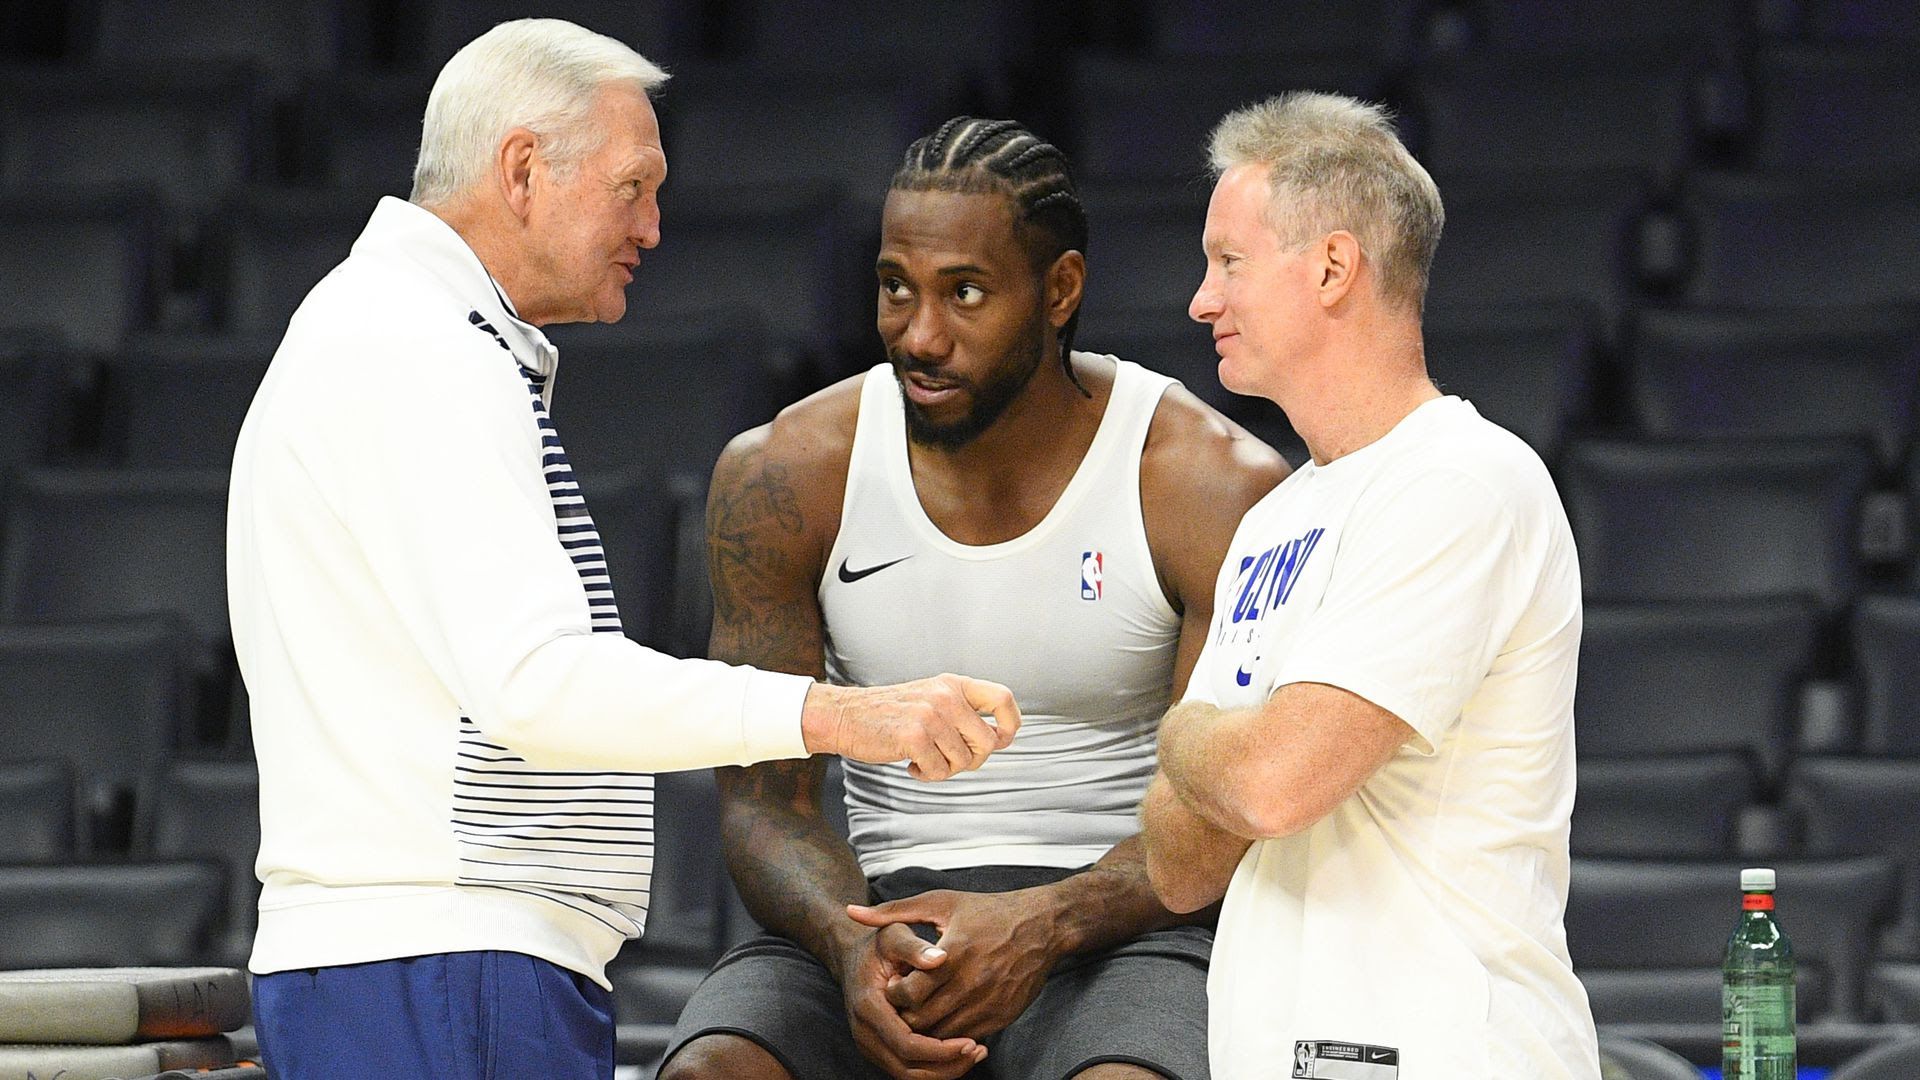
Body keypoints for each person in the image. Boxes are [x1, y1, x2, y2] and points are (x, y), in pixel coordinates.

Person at [226, 21, 1020, 1080]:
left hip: (427, 959)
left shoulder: (391, 328)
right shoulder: (419, 348)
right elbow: (537, 687)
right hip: (447, 960)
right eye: (633, 186)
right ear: (522, 170)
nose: (652, 225)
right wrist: (840, 713)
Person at [656, 117, 1289, 1080]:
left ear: (1060, 290)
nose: (920, 334)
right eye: (895, 287)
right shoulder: (782, 474)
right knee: (713, 1073)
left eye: (965, 293)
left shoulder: (1209, 484)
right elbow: (760, 804)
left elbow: (1218, 816)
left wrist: (1043, 923)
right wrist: (845, 940)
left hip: (1123, 925)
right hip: (875, 914)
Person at [1138, 92, 1601, 1079]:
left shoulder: (1461, 480)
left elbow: (1268, 785)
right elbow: (1176, 866)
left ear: (1334, 266)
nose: (1200, 301)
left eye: (1229, 262)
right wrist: (1232, 753)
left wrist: (1184, 731)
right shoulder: (1274, 519)